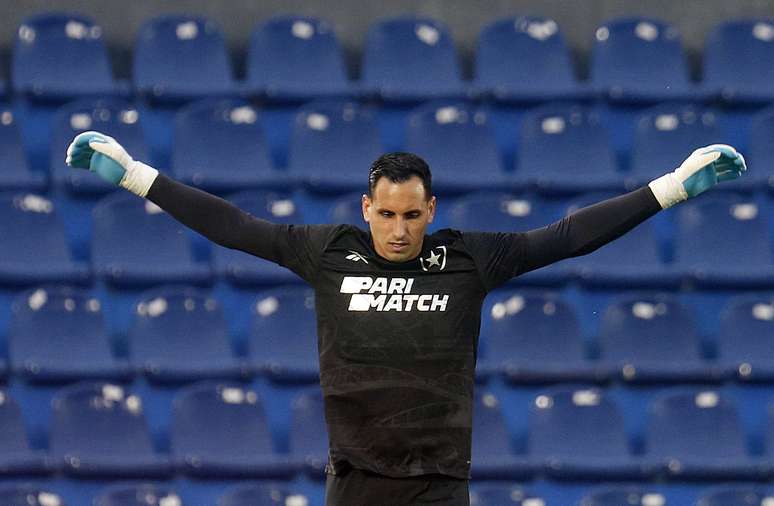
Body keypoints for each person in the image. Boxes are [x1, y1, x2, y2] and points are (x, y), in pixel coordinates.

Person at [66, 131, 746, 506]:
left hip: (441, 487)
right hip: (354, 484)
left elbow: (566, 236)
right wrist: (135, 176)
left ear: (431, 208)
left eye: (412, 215)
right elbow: (237, 227)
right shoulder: (329, 252)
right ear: (367, 208)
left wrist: (672, 187)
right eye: (386, 214)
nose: (398, 229)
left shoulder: (470, 259)